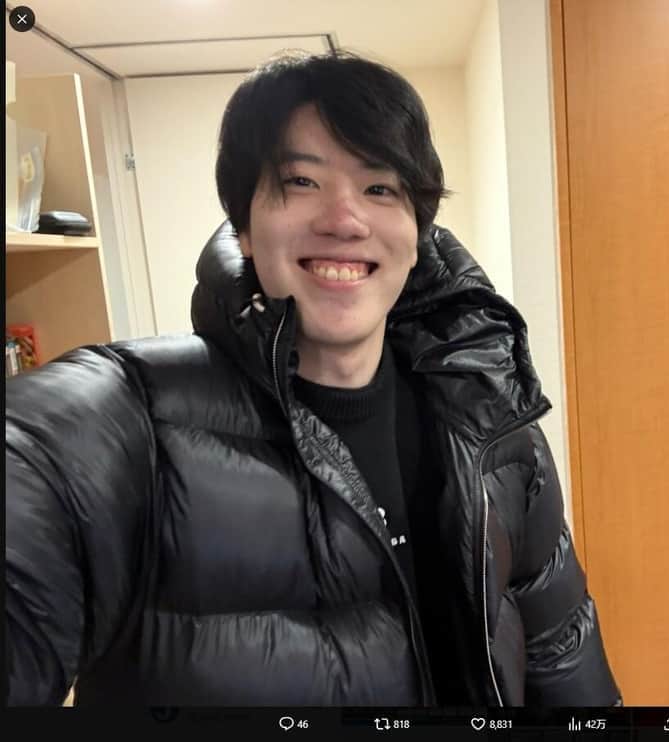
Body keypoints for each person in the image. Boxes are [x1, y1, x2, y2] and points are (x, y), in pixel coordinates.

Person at [4, 50, 622, 707]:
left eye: (380, 188)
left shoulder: (492, 422)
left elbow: (562, 657)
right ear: (244, 226)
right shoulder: (126, 421)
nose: (344, 220)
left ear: (417, 230)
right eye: (301, 181)